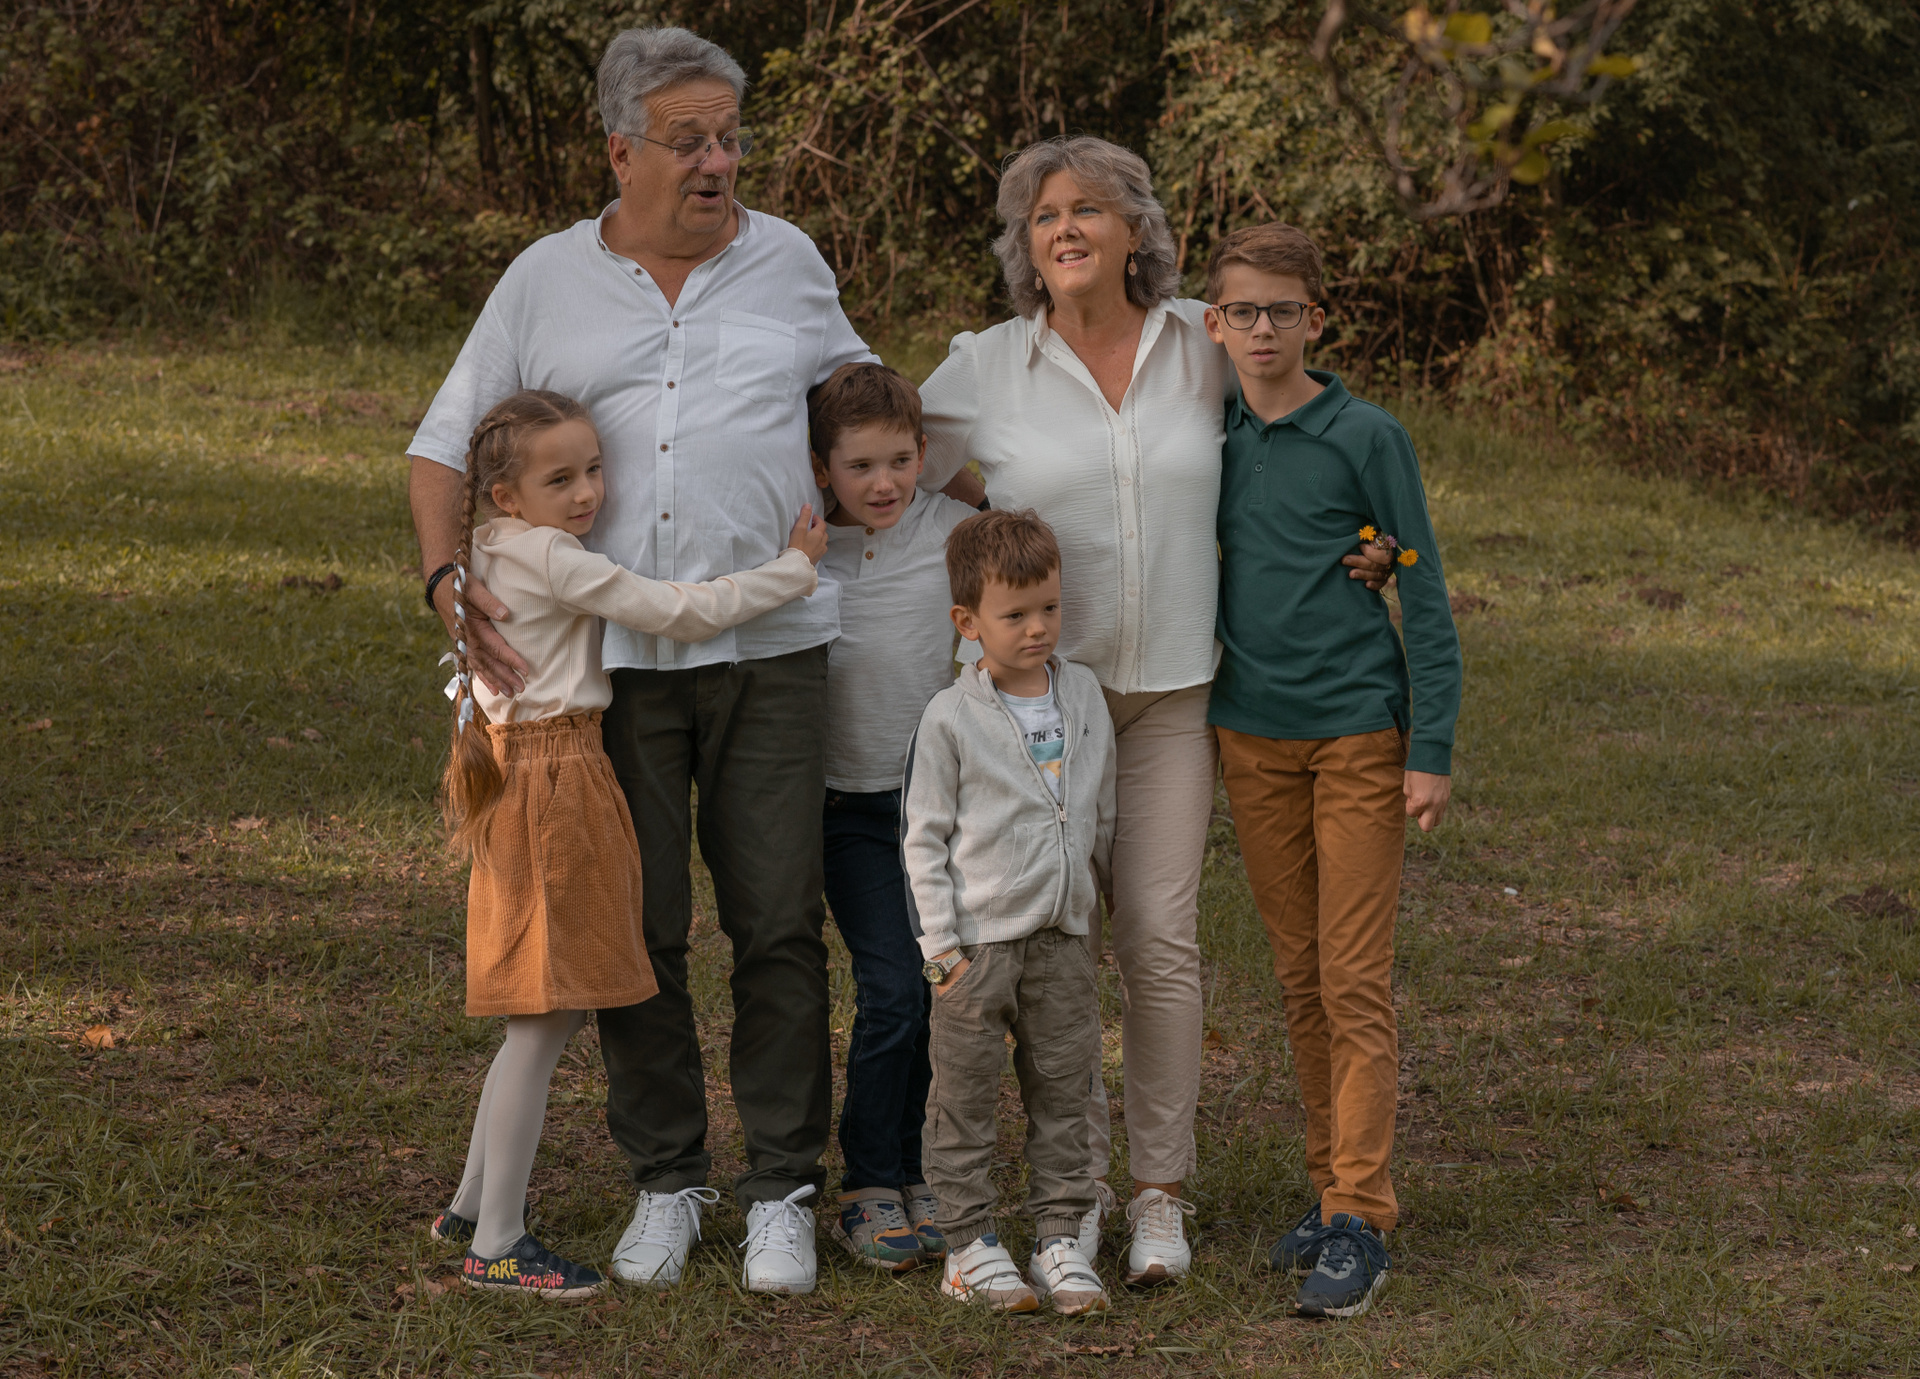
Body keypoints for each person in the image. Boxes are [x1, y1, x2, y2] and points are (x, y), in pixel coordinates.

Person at [406, 27, 874, 1295]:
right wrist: (448, 581)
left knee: (778, 920)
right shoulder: (544, 279)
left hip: (775, 653)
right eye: (688, 141)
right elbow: (444, 443)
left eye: (729, 139)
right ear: (622, 152)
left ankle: (782, 1185)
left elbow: (866, 408)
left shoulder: (790, 261)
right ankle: (667, 1176)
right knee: (639, 926)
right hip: (616, 672)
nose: (717, 162)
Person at [917, 135, 1396, 1287]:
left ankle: (1159, 1193)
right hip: (1044, 709)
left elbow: (1303, 427)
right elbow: (894, 460)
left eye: (1087, 208)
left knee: (1161, 940)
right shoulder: (987, 364)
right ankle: (1072, 1195)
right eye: (1043, 216)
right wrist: (998, 517)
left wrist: (1370, 542)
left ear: (1138, 230)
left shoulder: (1200, 341)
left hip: (1179, 690)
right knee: (1056, 944)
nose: (1063, 229)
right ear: (1025, 244)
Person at [425, 390, 826, 1300]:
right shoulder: (553, 558)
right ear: (505, 494)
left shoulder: (486, 550)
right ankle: (497, 1242)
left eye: (595, 470)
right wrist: (794, 569)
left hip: (524, 772)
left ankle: (469, 1203)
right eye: (560, 478)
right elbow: (679, 610)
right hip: (556, 780)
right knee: (547, 1015)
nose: (587, 494)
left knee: (545, 1012)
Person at [1203, 223, 1463, 1319]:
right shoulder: (1204, 433)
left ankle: (1362, 1212)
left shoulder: (1368, 435)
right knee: (1300, 975)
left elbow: (1422, 580)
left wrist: (1431, 748)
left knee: (1353, 975)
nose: (1263, 329)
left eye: (1283, 310)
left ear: (1318, 318)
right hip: (1248, 736)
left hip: (1358, 732)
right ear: (1213, 324)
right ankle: (1327, 1189)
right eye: (1243, 310)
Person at [902, 509, 1117, 1315]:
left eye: (1049, 608)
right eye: (1015, 614)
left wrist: (1091, 906)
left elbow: (1099, 804)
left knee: (1064, 1091)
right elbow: (922, 837)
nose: (1038, 628)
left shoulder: (1083, 693)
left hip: (1061, 940)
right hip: (976, 948)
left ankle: (1060, 1236)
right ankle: (967, 1244)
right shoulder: (951, 716)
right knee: (962, 1099)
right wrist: (942, 951)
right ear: (968, 623)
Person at [805, 363, 978, 1272]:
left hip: (943, 810)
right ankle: (870, 1178)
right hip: (852, 809)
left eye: (901, 460)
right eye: (860, 465)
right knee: (894, 990)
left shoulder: (951, 531)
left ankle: (919, 1170)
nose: (884, 483)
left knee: (941, 990)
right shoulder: (805, 546)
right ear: (821, 468)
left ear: (925, 454)